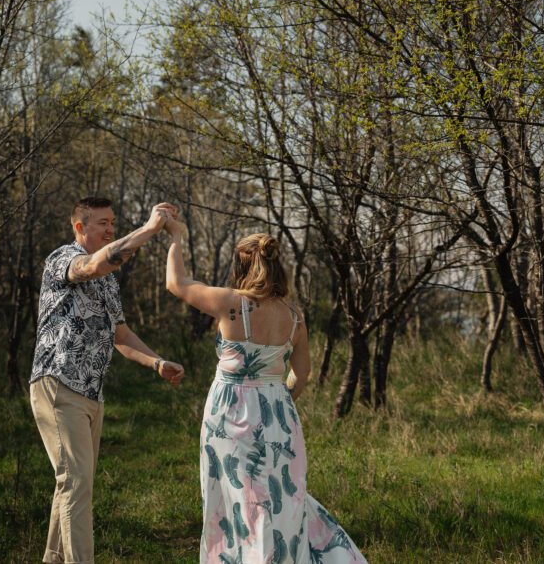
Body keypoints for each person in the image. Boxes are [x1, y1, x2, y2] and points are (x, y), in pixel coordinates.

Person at [162, 213, 367, 564]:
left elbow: (176, 283)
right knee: (283, 500)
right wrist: (276, 399)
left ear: (241, 265)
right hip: (279, 414)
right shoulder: (295, 316)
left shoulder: (230, 303)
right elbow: (301, 373)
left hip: (231, 414)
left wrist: (176, 236)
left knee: (237, 498)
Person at [30, 197, 185, 564]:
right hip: (58, 384)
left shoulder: (108, 283)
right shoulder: (63, 259)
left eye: (113, 222)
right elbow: (94, 265)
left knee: (73, 484)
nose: (111, 228)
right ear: (79, 227)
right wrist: (149, 230)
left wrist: (156, 362)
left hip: (91, 394)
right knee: (77, 483)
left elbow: (121, 336)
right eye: (103, 223)